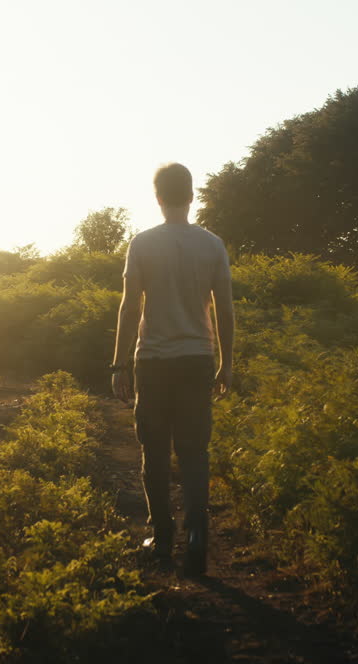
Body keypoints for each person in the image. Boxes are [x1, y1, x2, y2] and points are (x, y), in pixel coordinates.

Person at [110, 162, 234, 577]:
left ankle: (161, 536)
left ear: (158, 197)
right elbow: (225, 309)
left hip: (154, 362)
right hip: (198, 360)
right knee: (195, 451)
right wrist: (227, 362)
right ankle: (198, 536)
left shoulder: (142, 244)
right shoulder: (213, 245)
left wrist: (118, 362)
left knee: (155, 451)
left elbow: (130, 307)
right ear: (192, 195)